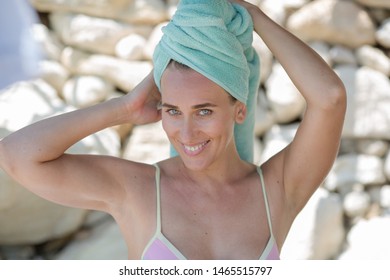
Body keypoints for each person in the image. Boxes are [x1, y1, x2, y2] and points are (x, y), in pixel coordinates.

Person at [0, 0, 346, 260]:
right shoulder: (136, 191)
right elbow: (16, 156)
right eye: (173, 110)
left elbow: (329, 99)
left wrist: (255, 18)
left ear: (239, 110)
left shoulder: (276, 190)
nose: (186, 132)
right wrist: (124, 108)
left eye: (204, 111)